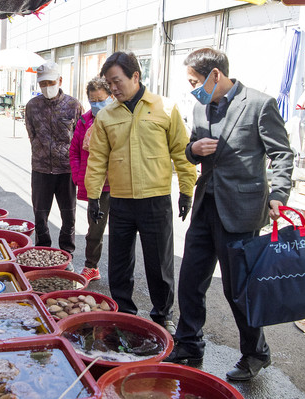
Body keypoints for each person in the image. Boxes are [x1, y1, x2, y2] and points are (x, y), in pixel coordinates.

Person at [165, 48, 294, 381]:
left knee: (238, 290)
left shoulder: (259, 104)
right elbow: (191, 151)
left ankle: (256, 353)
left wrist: (278, 194)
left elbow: (282, 155)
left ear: (215, 76)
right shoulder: (199, 107)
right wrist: (193, 151)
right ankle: (189, 344)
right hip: (206, 206)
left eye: (196, 81)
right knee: (190, 281)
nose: (193, 87)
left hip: (241, 211)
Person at [85, 52, 196, 335]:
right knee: (120, 263)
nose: (113, 89)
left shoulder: (164, 108)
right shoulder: (107, 115)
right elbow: (98, 157)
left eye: (117, 81)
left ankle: (162, 315)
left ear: (136, 76)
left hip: (155, 199)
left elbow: (181, 153)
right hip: (120, 200)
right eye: (109, 84)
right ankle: (124, 312)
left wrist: (186, 190)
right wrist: (93, 196)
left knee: (160, 263)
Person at [25, 61, 83, 257]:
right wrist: (40, 151)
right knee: (40, 214)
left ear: (60, 80)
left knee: (69, 214)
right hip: (40, 169)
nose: (46, 87)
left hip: (66, 169)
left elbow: (79, 138)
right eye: (42, 84)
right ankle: (42, 250)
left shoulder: (73, 105)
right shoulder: (32, 106)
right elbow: (31, 133)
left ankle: (67, 252)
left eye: (50, 82)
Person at [69, 77, 114, 282]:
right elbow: (75, 152)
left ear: (111, 97)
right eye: (92, 100)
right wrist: (80, 177)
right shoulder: (84, 121)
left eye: (101, 99)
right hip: (98, 187)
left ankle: (120, 272)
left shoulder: (119, 118)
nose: (96, 104)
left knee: (122, 232)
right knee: (94, 229)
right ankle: (91, 267)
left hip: (120, 184)